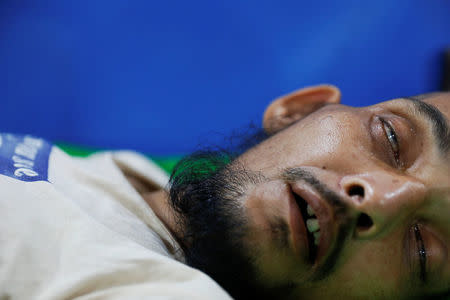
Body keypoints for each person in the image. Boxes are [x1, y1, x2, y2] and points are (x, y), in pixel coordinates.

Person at [0, 85, 449, 299]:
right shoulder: (129, 173)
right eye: (391, 138)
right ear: (298, 111)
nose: (382, 198)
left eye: (424, 250)